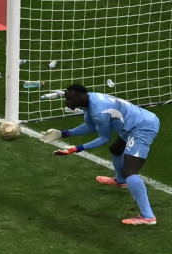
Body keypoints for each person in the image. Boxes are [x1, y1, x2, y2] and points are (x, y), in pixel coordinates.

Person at [41, 84, 160, 226]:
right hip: (131, 124)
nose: (67, 103)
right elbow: (91, 126)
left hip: (142, 127)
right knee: (116, 150)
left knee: (130, 171)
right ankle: (121, 181)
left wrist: (77, 148)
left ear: (80, 98)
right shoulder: (90, 100)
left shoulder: (98, 110)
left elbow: (104, 138)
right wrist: (63, 133)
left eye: (70, 99)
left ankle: (148, 216)